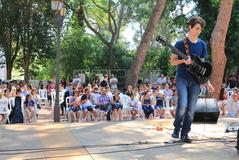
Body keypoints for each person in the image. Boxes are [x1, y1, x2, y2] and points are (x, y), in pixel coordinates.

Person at [170, 16, 214, 143]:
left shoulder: (202, 45)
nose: (198, 31)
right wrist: (183, 60)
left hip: (195, 81)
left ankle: (185, 133)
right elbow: (172, 62)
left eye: (200, 29)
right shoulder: (180, 43)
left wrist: (207, 83)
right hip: (182, 78)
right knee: (183, 104)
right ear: (190, 27)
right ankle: (176, 128)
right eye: (196, 28)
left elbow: (203, 67)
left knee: (191, 109)